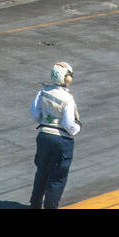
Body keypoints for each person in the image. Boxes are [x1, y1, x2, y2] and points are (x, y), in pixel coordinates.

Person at [29, 61, 80, 209]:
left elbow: (34, 114)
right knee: (57, 178)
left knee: (42, 172)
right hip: (61, 140)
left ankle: (35, 205)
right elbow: (69, 124)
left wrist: (46, 121)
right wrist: (78, 128)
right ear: (66, 78)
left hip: (43, 136)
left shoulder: (43, 91)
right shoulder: (67, 98)